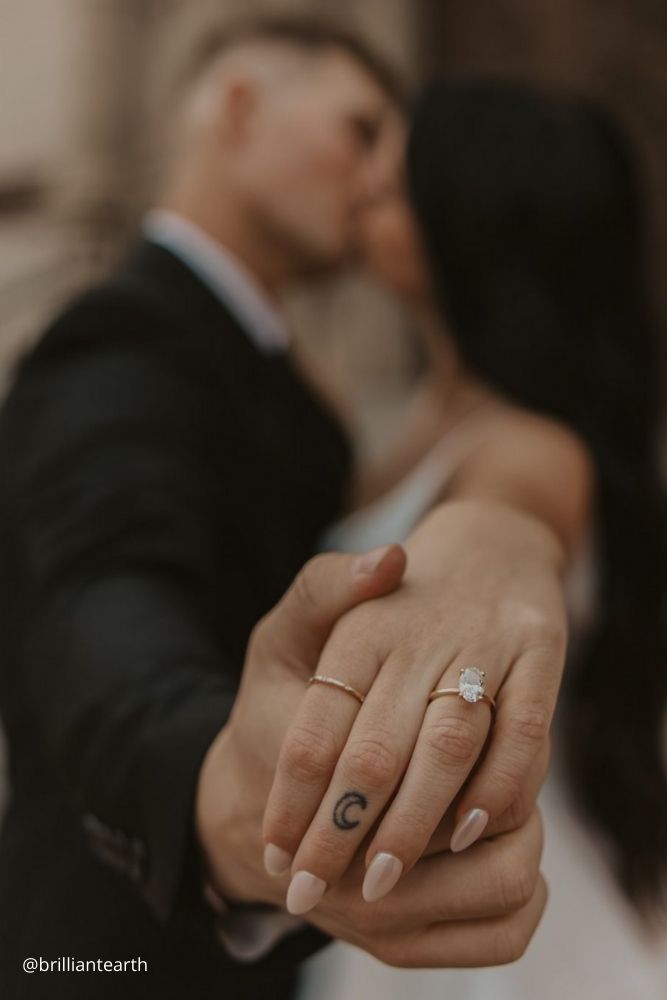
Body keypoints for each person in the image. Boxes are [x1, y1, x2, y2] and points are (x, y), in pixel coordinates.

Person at [0, 21, 571, 999]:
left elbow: (491, 499)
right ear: (237, 109)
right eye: (359, 129)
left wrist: (497, 545)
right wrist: (217, 789)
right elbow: (103, 587)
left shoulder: (288, 380)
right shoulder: (121, 336)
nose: (378, 178)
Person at [296, 80, 667, 999]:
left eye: (386, 190)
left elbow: (503, 529)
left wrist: (484, 554)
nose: (357, 197)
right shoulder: (423, 413)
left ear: (460, 229)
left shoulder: (530, 448)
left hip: (501, 932)